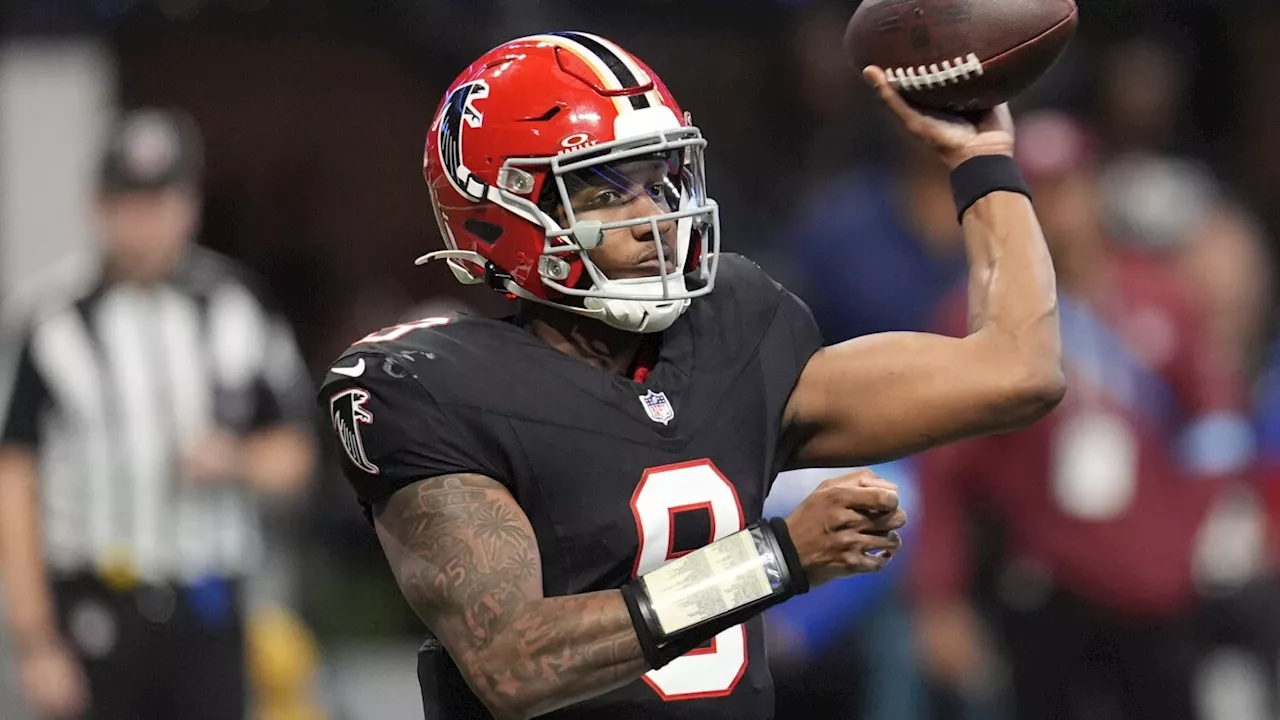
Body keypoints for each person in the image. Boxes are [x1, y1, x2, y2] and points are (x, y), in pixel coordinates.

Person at [318, 32, 1064, 720]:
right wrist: (778, 557)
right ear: (504, 212)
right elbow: (516, 662)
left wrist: (982, 160)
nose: (653, 217)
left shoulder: (734, 331)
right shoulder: (425, 384)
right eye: (608, 192)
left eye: (661, 181)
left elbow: (1017, 369)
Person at [911, 111, 1254, 720]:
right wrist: (939, 597)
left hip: (1160, 589)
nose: (1058, 209)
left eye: (1069, 186)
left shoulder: (1162, 298)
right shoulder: (978, 311)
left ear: (1093, 186)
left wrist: (1189, 531)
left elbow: (1218, 425)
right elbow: (945, 469)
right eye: (1038, 192)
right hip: (1047, 582)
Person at [0, 109, 316, 719]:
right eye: (128, 203)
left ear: (189, 206)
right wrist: (35, 636)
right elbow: (15, 478)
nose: (144, 223)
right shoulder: (50, 319)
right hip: (95, 606)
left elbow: (296, 453)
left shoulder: (237, 306)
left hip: (209, 605)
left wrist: (237, 461)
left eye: (159, 202)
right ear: (98, 206)